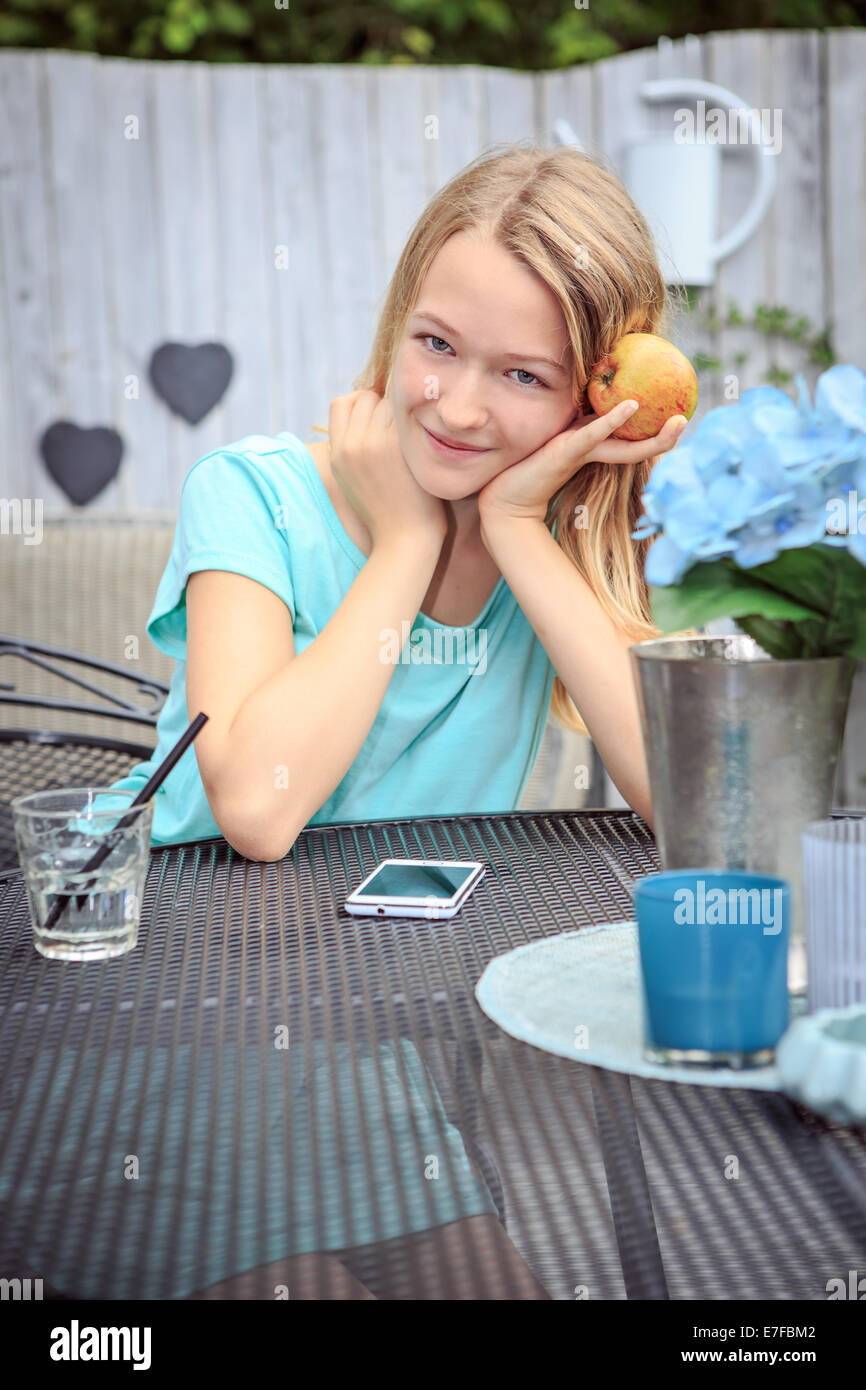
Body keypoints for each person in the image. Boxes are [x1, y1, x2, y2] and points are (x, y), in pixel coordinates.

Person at [100, 140, 689, 1298]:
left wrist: (519, 532)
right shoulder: (253, 495)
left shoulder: (546, 554)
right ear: (395, 325)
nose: (458, 407)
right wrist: (409, 539)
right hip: (164, 1032)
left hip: (365, 1062)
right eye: (435, 346)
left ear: (595, 397)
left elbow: (683, 801)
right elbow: (259, 808)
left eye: (523, 377)